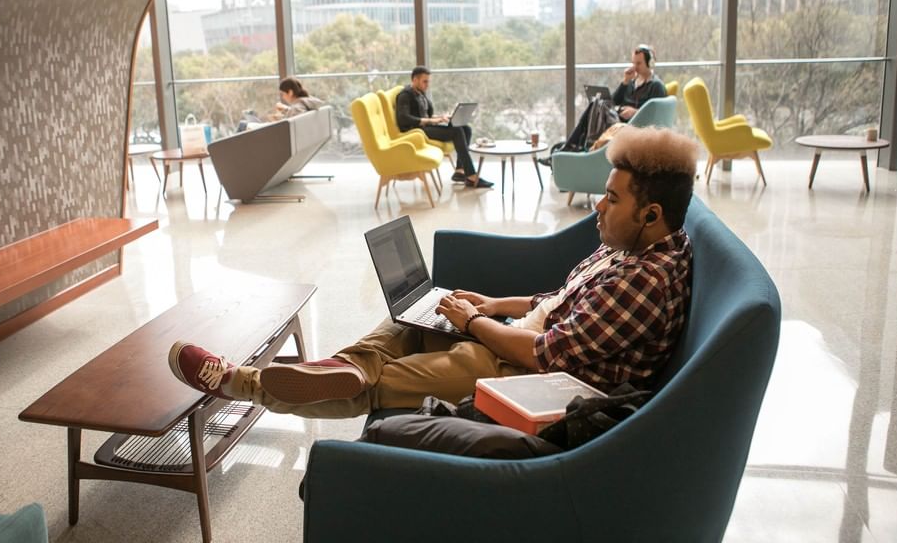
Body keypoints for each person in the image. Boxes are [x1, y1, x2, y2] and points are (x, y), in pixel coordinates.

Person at [168, 126, 697, 419]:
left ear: (651, 213)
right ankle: (351, 365)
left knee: (425, 368)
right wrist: (490, 306)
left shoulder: (645, 282)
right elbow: (558, 297)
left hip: (547, 383)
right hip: (523, 340)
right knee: (410, 322)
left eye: (611, 198)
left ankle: (247, 383)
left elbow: (542, 354)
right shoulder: (632, 249)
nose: (598, 208)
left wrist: (472, 324)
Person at [553, 44, 668, 155]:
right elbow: (613, 101)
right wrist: (625, 82)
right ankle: (575, 146)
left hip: (630, 126)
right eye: (633, 63)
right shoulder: (632, 82)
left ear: (650, 63)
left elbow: (658, 116)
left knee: (597, 105)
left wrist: (635, 112)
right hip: (617, 119)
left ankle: (572, 147)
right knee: (597, 103)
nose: (634, 67)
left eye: (639, 63)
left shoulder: (656, 86)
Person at [394, 66, 492, 189]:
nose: (427, 84)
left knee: (466, 128)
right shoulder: (405, 95)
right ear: (414, 79)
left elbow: (424, 115)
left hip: (425, 127)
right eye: (425, 81)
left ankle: (460, 171)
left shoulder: (420, 94)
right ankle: (471, 176)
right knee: (456, 131)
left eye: (428, 81)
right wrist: (432, 120)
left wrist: (442, 117)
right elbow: (403, 118)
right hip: (416, 131)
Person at [237, 77, 324, 131]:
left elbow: (287, 127)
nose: (282, 97)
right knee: (248, 122)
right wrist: (286, 110)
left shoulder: (297, 107)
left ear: (290, 92)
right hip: (278, 131)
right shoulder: (305, 102)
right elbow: (295, 117)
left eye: (283, 94)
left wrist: (278, 121)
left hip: (275, 133)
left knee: (243, 125)